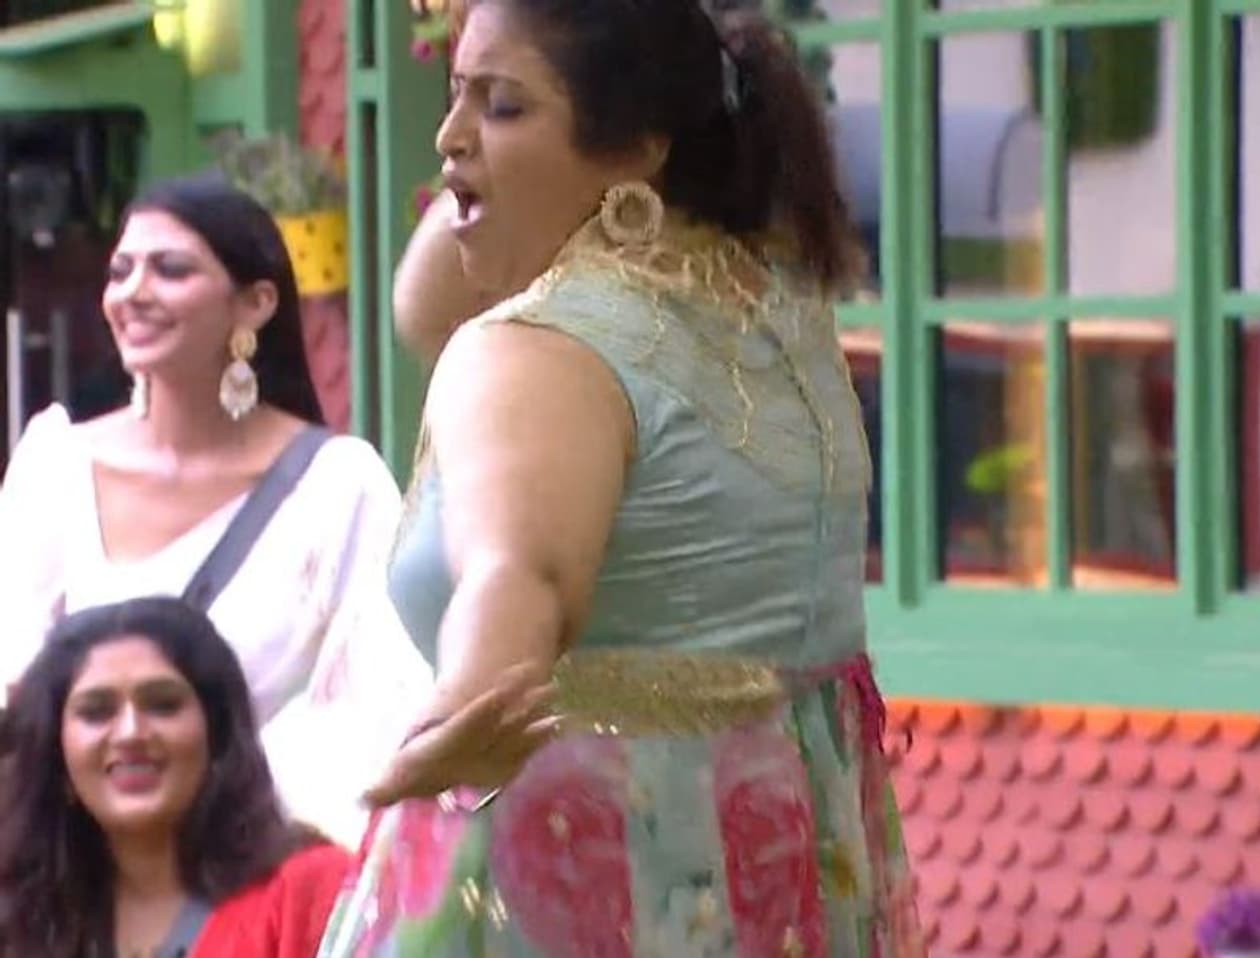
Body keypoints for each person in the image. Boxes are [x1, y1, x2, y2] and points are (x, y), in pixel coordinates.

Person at [321, 0, 927, 955]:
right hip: (758, 894)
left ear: (640, 146)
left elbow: (522, 573)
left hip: (581, 894)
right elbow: (421, 304)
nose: (447, 137)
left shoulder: (541, 347)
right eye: (454, 97)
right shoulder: (774, 305)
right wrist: (494, 131)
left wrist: (473, 692)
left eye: (503, 106)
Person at [0, 176, 430, 848]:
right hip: (73, 865)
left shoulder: (337, 484)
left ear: (256, 303)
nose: (134, 291)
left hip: (252, 861)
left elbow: (383, 702)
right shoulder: (56, 464)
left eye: (170, 269)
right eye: (121, 270)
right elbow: (12, 671)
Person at [0, 596, 352, 958]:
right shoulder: (19, 918)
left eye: (163, 705)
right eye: (97, 711)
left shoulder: (309, 889)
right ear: (55, 752)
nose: (131, 733)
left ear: (217, 733)